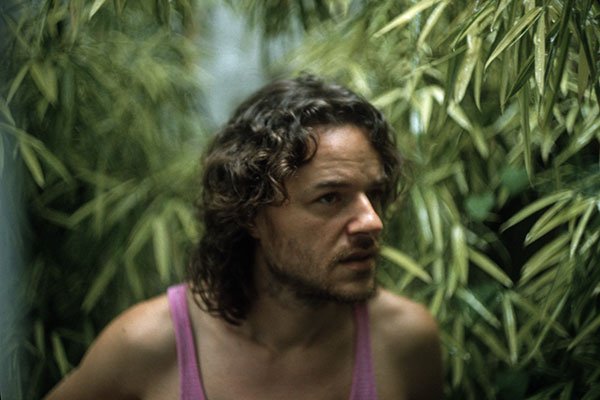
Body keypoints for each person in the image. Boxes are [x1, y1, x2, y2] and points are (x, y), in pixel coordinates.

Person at [44, 74, 443, 400]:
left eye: (374, 193)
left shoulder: (405, 343)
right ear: (251, 213)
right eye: (329, 198)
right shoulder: (148, 346)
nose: (372, 221)